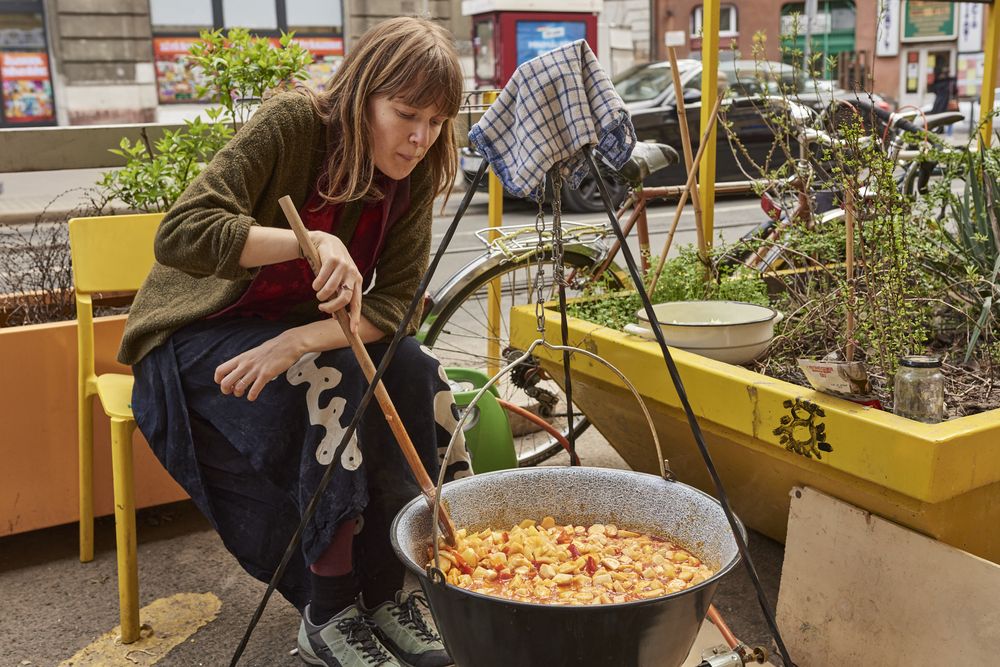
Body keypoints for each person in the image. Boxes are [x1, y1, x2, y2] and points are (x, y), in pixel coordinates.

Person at [118, 17, 472, 667]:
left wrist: (297, 341)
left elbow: (395, 308)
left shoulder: (415, 167)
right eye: (406, 114)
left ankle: (388, 589)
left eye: (436, 121)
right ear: (364, 93)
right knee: (332, 381)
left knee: (415, 370)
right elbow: (182, 234)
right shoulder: (295, 125)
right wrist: (307, 244)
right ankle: (329, 609)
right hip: (194, 334)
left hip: (292, 335)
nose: (421, 137)